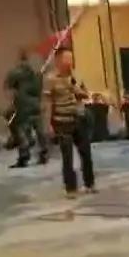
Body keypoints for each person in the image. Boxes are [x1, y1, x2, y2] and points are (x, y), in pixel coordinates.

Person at [43, 47, 96, 198]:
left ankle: (89, 183)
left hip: (78, 118)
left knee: (86, 152)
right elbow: (47, 103)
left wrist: (79, 90)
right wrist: (48, 124)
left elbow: (85, 93)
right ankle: (71, 188)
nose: (70, 62)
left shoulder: (76, 76)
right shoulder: (50, 79)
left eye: (71, 59)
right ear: (58, 61)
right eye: (66, 59)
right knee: (68, 157)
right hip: (61, 121)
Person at [6, 48, 48, 168]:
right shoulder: (37, 74)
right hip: (35, 105)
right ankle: (43, 152)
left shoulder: (15, 73)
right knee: (39, 130)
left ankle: (24, 155)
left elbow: (9, 89)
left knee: (21, 130)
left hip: (22, 105)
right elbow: (39, 90)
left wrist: (12, 103)